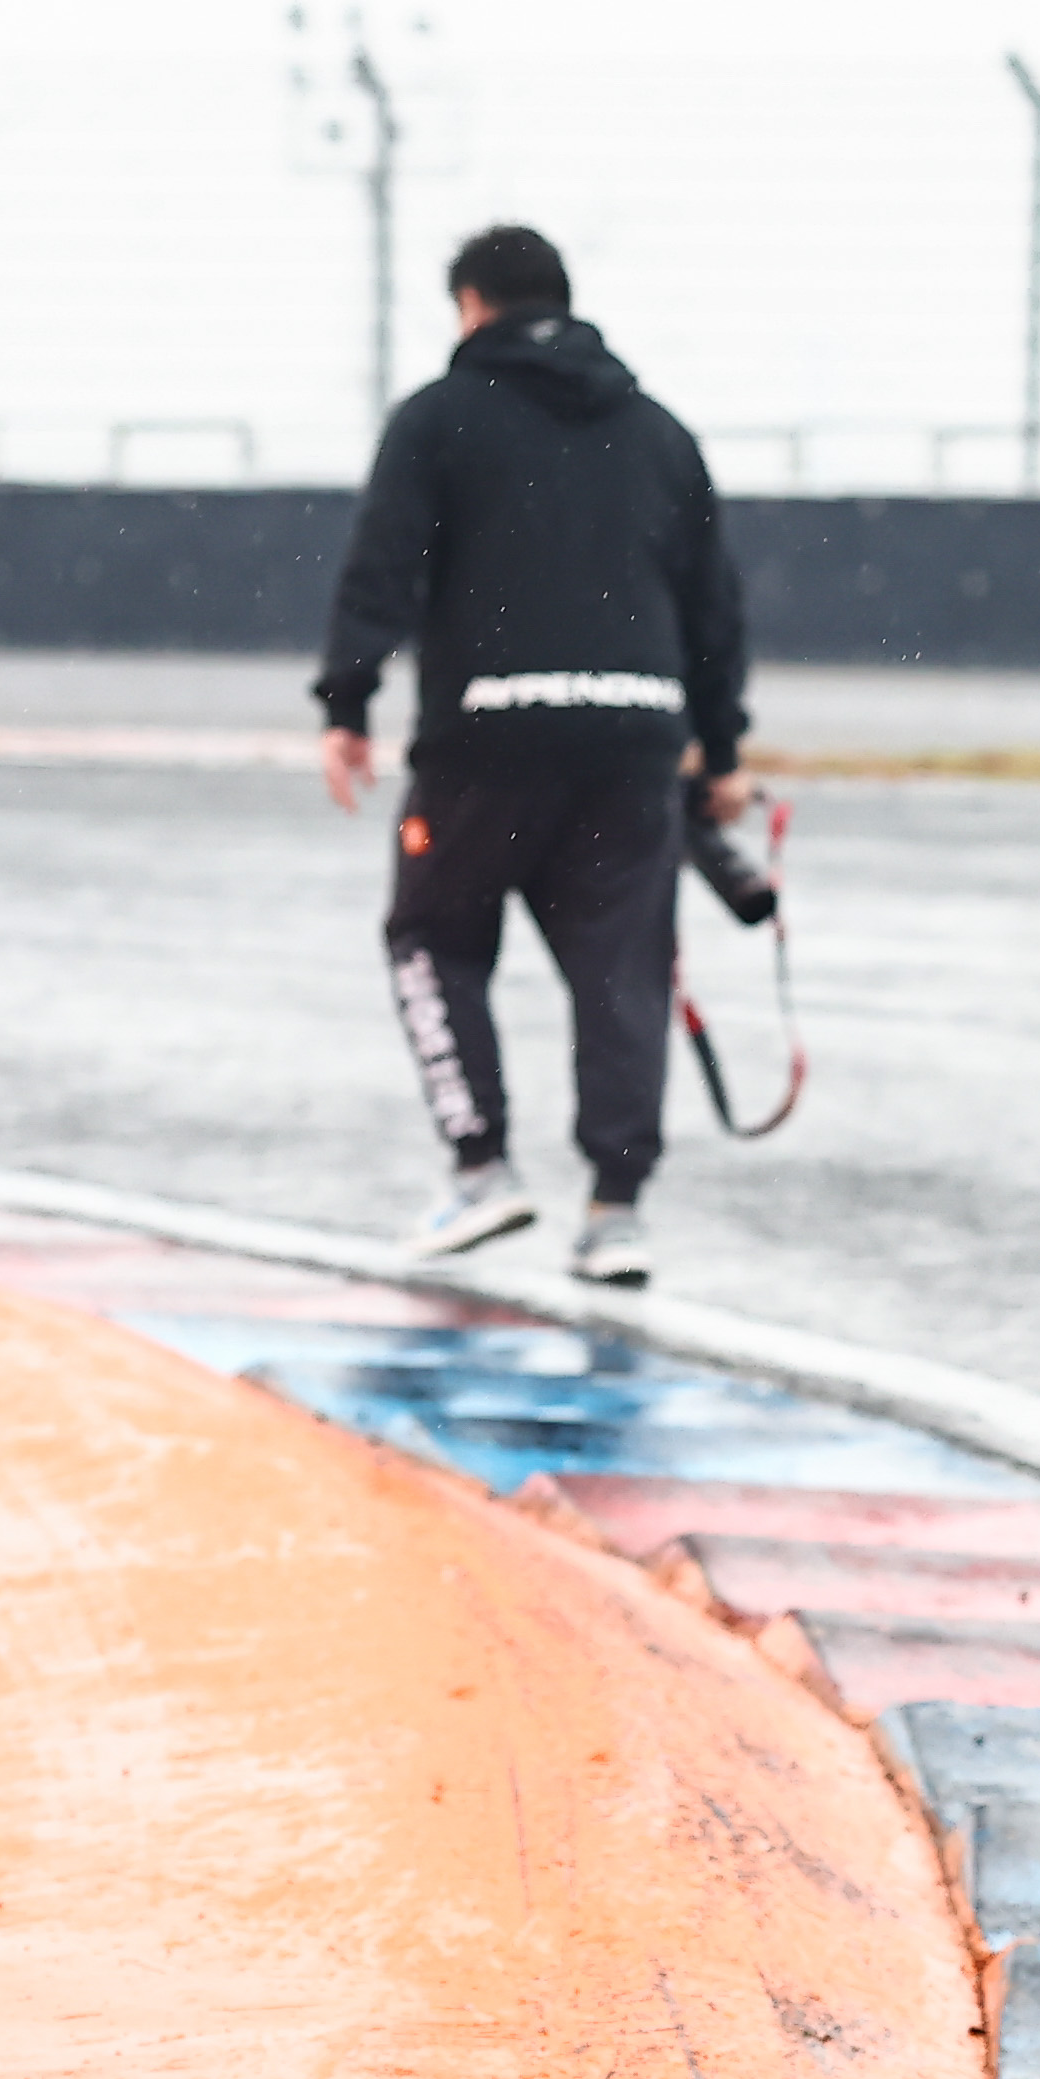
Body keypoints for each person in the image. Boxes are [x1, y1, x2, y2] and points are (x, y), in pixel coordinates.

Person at [316, 224, 752, 1288]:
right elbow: (712, 602)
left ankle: (482, 1168)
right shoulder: (658, 431)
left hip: (488, 736)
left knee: (432, 939)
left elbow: (383, 564)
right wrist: (720, 748)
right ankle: (615, 1212)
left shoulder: (437, 418)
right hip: (636, 735)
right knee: (622, 966)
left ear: (471, 304)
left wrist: (348, 700)